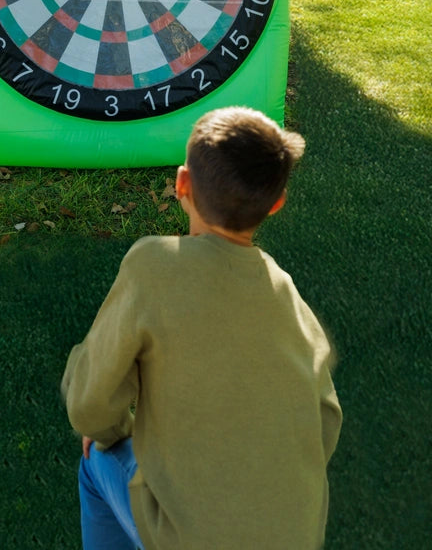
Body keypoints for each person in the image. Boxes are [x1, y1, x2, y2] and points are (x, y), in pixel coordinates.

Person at [61, 106, 341, 550]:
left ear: (181, 183)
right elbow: (326, 417)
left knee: (96, 460)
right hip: (296, 536)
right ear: (277, 202)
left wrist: (110, 433)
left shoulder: (153, 266)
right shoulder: (284, 291)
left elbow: (90, 405)